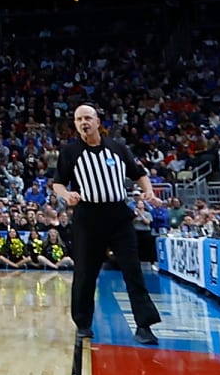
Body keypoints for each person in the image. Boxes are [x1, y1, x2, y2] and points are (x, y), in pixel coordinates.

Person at [52, 104, 162, 345]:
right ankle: (83, 324)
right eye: (79, 119)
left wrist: (149, 191)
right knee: (85, 273)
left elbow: (139, 173)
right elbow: (57, 183)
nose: (84, 122)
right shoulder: (70, 152)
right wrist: (66, 195)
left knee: (132, 271)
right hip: (87, 218)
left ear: (97, 121)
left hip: (118, 216)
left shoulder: (118, 148)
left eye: (87, 118)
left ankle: (144, 325)